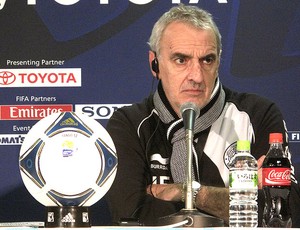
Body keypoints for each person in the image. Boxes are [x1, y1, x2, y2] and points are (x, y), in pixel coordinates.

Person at [105, 4, 300, 227]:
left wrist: (190, 192)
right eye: (181, 60)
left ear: (218, 61)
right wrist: (239, 199)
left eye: (207, 60)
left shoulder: (258, 114)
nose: (196, 76)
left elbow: (285, 211)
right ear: (155, 63)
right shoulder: (129, 124)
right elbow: (130, 216)